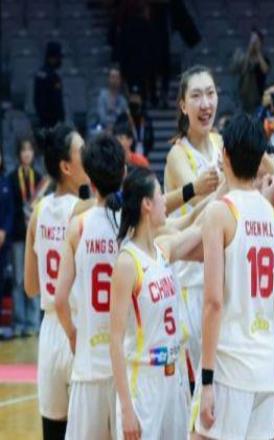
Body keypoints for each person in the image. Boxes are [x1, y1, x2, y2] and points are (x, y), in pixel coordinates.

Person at [192, 113, 274, 439]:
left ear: (225, 155)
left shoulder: (220, 211)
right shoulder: (269, 211)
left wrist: (206, 379)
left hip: (231, 366)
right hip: (267, 365)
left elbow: (213, 302)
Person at [110, 167, 202, 440]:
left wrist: (227, 191)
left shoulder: (162, 251)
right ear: (147, 204)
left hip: (174, 378)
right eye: (160, 194)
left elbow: (200, 227)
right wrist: (127, 408)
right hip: (144, 382)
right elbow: (114, 341)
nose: (165, 201)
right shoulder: (127, 262)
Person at [54, 133, 125, 439]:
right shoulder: (132, 225)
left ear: (90, 180)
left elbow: (59, 299)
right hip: (125, 365)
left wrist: (73, 335)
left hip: (89, 363)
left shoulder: (78, 227)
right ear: (124, 173)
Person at [24, 123, 89, 439]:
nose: (88, 156)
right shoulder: (87, 211)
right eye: (82, 151)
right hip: (79, 329)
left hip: (50, 332)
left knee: (52, 432)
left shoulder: (38, 212)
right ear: (66, 166)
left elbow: (31, 287)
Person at [164, 65, 221, 383]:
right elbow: (204, 205)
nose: (205, 103)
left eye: (210, 93)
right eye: (196, 96)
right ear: (183, 106)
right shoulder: (178, 154)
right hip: (189, 285)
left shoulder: (221, 142)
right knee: (197, 386)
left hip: (218, 278)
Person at [9, 136, 44, 337]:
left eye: (30, 150)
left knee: (34, 278)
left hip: (36, 236)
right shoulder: (12, 178)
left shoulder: (39, 178)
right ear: (19, 154)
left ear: (33, 153)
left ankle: (33, 322)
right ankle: (19, 322)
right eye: (23, 150)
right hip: (17, 236)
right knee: (18, 280)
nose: (27, 153)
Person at [232, 28, 270, 114]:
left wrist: (258, 52)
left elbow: (265, 70)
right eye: (252, 40)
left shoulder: (264, 57)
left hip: (259, 96)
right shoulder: (243, 57)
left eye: (256, 41)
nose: (254, 43)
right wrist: (249, 50)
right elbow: (242, 69)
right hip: (244, 96)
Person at [34, 42, 65, 129]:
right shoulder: (53, 77)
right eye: (58, 58)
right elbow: (57, 101)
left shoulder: (39, 74)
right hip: (52, 123)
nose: (60, 61)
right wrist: (61, 119)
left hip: (42, 120)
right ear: (52, 58)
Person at [0, 146, 14, 340]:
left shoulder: (6, 182)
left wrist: (4, 231)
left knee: (2, 281)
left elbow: (11, 210)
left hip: (3, 242)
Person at [97, 67, 129, 133]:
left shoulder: (123, 101)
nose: (115, 80)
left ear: (120, 80)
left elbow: (124, 119)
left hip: (118, 130)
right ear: (108, 79)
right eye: (113, 77)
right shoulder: (102, 96)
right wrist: (109, 126)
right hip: (103, 129)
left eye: (117, 78)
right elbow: (102, 116)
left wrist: (113, 127)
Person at [128, 85, 154, 156]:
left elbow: (151, 138)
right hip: (130, 154)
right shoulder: (125, 117)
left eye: (137, 97)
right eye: (133, 97)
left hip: (144, 153)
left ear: (141, 100)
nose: (135, 100)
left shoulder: (146, 118)